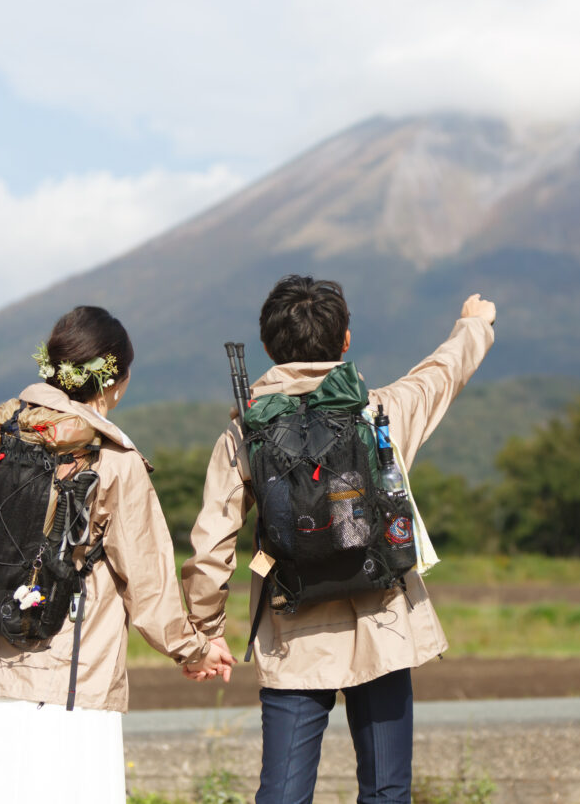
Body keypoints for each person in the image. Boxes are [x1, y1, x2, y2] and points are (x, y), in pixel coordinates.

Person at [181, 276, 496, 804]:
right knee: (386, 792)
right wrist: (473, 325)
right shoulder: (380, 413)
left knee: (282, 795)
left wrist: (206, 632)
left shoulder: (245, 433)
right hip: (382, 622)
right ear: (345, 339)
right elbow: (441, 374)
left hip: (292, 629)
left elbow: (212, 546)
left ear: (268, 348)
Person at [0, 305, 234, 803]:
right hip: (70, 681)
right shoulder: (113, 461)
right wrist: (195, 649)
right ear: (115, 381)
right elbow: (149, 582)